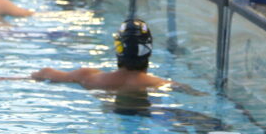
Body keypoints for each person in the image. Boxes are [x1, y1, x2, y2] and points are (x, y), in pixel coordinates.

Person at [31, 18, 169, 90]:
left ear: (118, 48)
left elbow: (45, 73)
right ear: (148, 50)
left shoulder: (87, 77)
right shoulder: (161, 84)